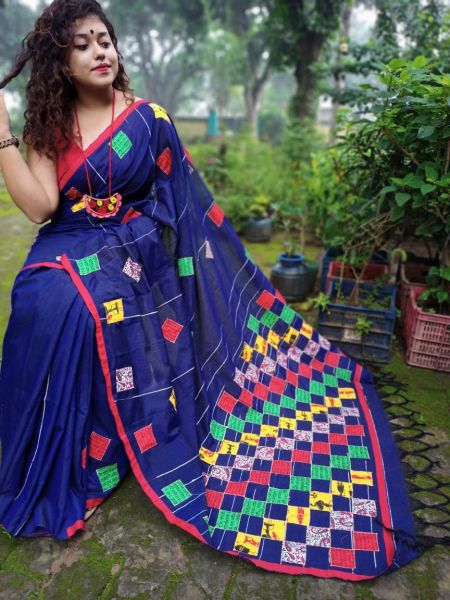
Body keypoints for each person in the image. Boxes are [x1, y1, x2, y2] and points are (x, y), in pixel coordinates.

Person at [0, 0, 420, 579]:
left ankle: (101, 441)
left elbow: (179, 205)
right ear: (59, 61)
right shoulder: (49, 123)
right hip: (67, 239)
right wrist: (3, 138)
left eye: (105, 40)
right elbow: (42, 207)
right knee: (39, 300)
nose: (100, 52)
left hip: (129, 247)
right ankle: (45, 449)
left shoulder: (148, 119)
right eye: (82, 45)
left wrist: (138, 240)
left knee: (82, 306)